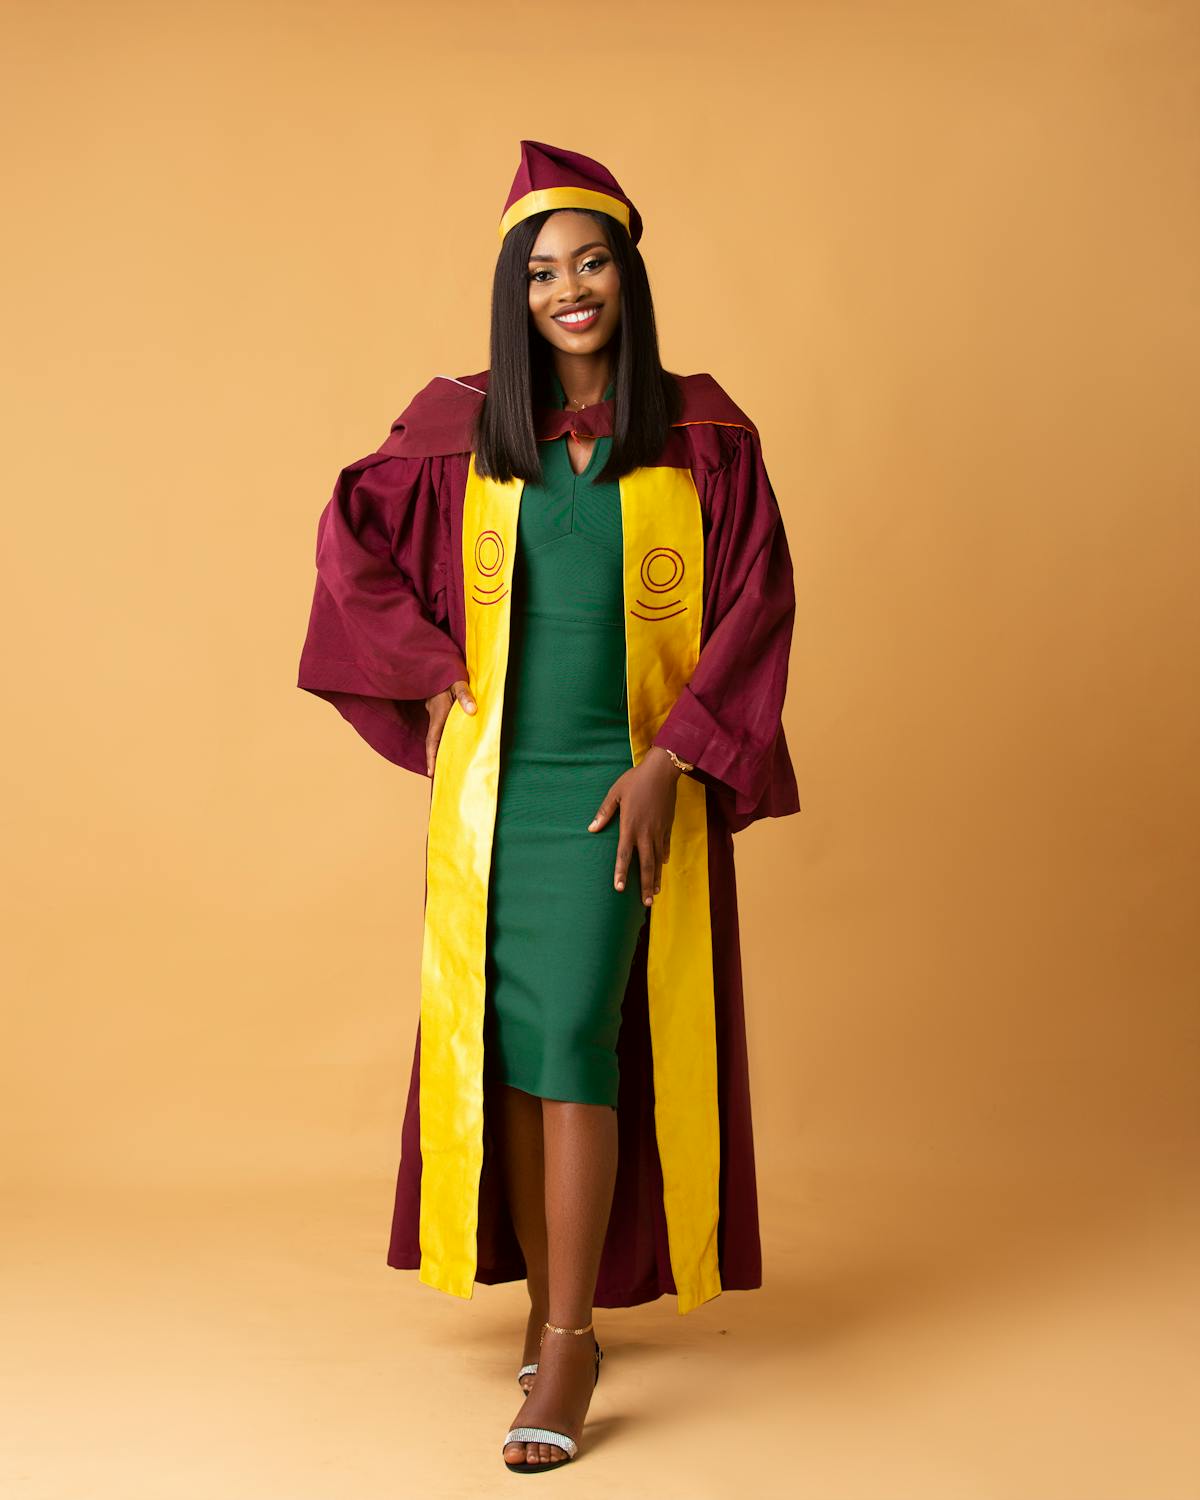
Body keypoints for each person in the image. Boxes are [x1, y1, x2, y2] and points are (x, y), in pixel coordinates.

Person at [297, 139, 801, 1473]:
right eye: (541, 273)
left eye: (589, 264)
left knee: (578, 1026)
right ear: (513, 299)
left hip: (617, 788)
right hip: (497, 794)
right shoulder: (460, 430)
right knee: (522, 1042)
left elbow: (757, 601)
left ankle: (570, 1343)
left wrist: (676, 758)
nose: (568, 290)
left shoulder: (700, 436)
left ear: (627, 276)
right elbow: (350, 546)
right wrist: (433, 679)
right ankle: (549, 1307)